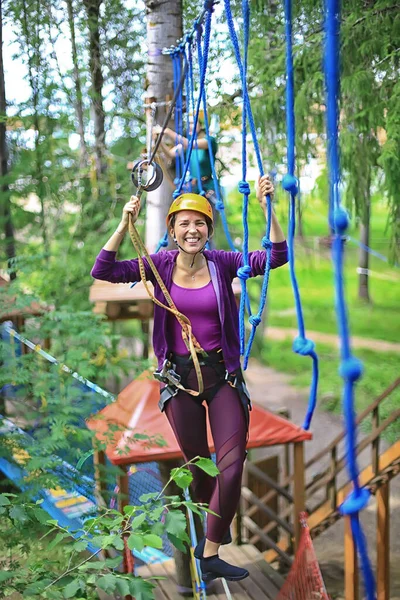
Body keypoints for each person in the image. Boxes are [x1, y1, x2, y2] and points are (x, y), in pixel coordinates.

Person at [90, 175, 288, 583]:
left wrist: (270, 208)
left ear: (208, 230)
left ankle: (210, 550)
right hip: (179, 381)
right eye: (183, 223)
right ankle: (216, 521)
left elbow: (276, 256)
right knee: (199, 469)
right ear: (173, 231)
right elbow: (103, 269)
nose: (192, 230)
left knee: (231, 467)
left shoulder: (223, 263)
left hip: (222, 378)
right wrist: (124, 222)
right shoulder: (158, 264)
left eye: (199, 223)